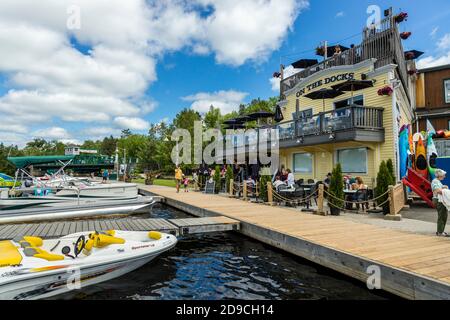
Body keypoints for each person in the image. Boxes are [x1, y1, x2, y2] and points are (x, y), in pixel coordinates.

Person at [432, 169, 449, 237]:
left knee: (444, 215)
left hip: (440, 200)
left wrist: (443, 187)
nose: (444, 176)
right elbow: (437, 191)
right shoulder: (435, 181)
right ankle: (440, 232)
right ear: (440, 175)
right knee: (442, 216)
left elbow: (439, 188)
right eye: (443, 175)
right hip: (438, 200)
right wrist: (444, 190)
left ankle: (441, 231)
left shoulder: (437, 181)